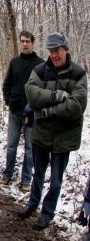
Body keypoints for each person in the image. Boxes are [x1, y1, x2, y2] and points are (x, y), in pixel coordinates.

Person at [18, 32, 87, 230]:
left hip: (64, 138)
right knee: (38, 173)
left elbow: (76, 106)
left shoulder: (79, 74)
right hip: (42, 135)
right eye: (51, 51)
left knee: (56, 180)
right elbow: (31, 94)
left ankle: (47, 213)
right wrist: (56, 96)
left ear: (65, 50)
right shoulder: (40, 70)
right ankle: (32, 204)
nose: (54, 55)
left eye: (57, 50)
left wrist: (47, 112)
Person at [1, 31, 44, 191]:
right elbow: (6, 84)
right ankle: (7, 175)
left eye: (27, 41)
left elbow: (43, 89)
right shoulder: (15, 62)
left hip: (31, 114)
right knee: (11, 146)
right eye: (22, 41)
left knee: (30, 149)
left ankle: (26, 180)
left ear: (33, 43)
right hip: (14, 111)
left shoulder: (41, 64)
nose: (25, 44)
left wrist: (36, 107)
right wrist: (8, 100)